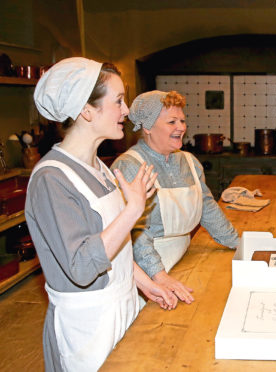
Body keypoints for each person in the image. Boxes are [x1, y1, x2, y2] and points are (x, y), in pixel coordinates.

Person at [26, 57, 178, 372]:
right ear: (87, 110)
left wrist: (144, 283)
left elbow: (114, 246)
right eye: (119, 101)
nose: (126, 110)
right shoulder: (51, 179)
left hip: (122, 308)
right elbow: (82, 266)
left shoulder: (99, 169)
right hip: (88, 327)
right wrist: (133, 208)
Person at [112, 90, 239, 304]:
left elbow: (207, 207)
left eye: (182, 120)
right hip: (145, 278)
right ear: (148, 127)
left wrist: (238, 242)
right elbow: (134, 234)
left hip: (183, 262)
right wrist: (159, 276)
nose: (181, 127)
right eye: (172, 121)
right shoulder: (130, 166)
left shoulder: (189, 162)